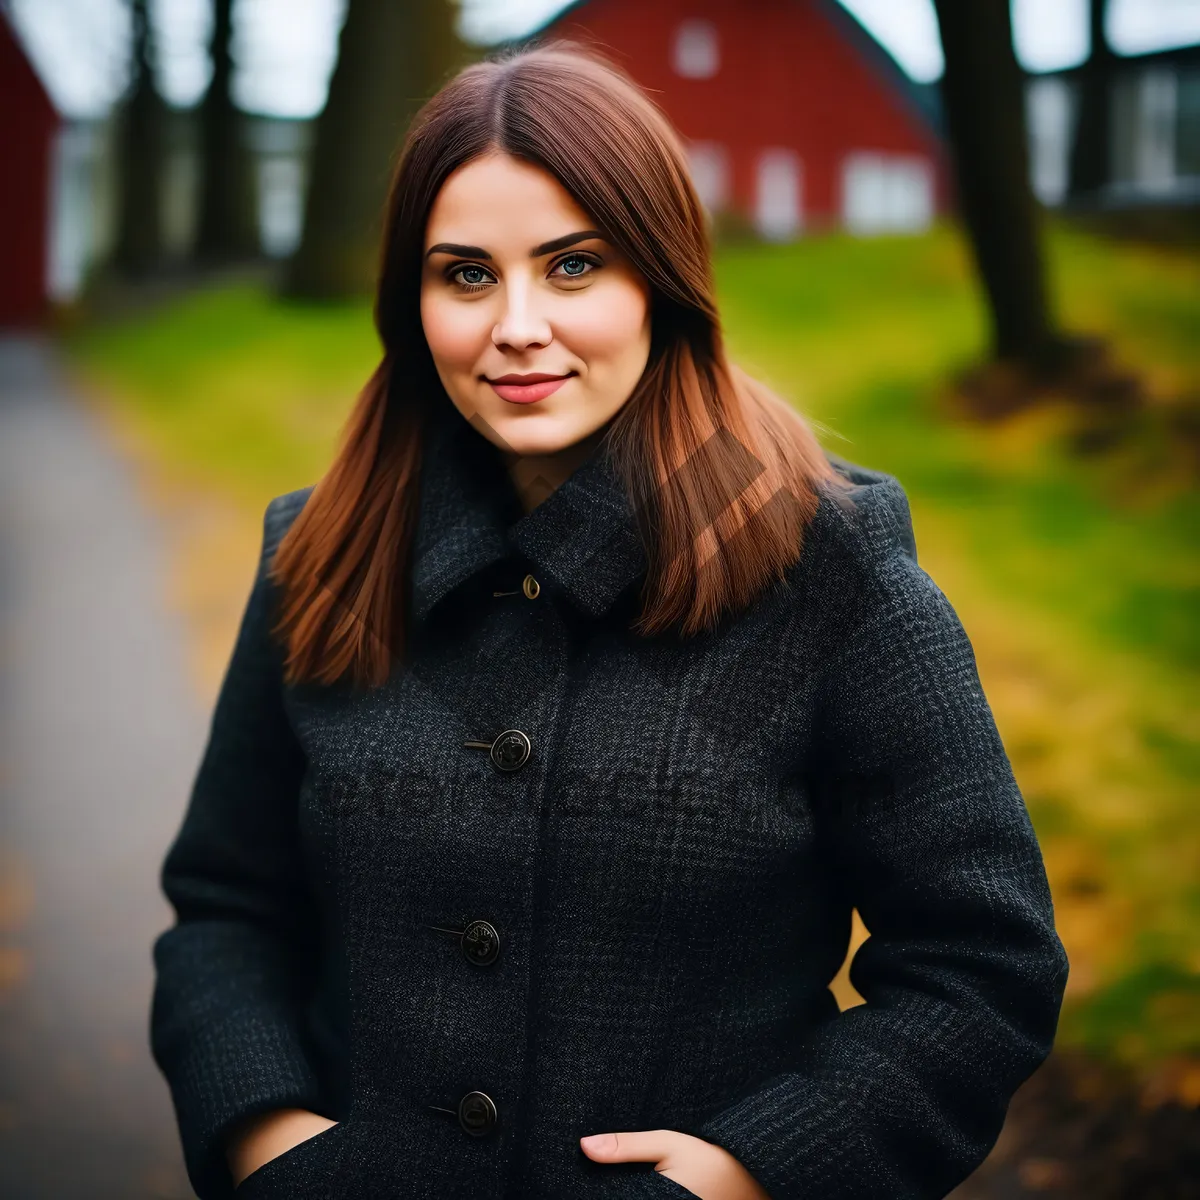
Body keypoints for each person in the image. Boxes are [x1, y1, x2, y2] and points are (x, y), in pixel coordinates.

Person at [149, 41, 1069, 1200]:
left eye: (573, 265)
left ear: (661, 279)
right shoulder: (324, 554)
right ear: (410, 298)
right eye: (466, 275)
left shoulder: (824, 571)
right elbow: (227, 911)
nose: (517, 326)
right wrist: (266, 1141)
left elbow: (981, 966)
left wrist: (750, 1171)